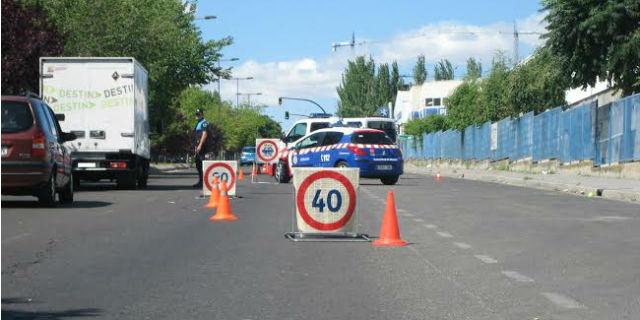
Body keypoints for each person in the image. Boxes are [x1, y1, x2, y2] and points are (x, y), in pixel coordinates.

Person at [193, 109, 209, 188]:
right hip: (198, 147)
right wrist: (196, 146)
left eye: (198, 114)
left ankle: (204, 182)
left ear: (202, 114)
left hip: (202, 147)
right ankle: (201, 181)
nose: (197, 116)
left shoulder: (204, 123)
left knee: (202, 164)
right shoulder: (198, 123)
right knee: (198, 164)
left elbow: (204, 134)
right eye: (196, 114)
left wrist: (200, 145)